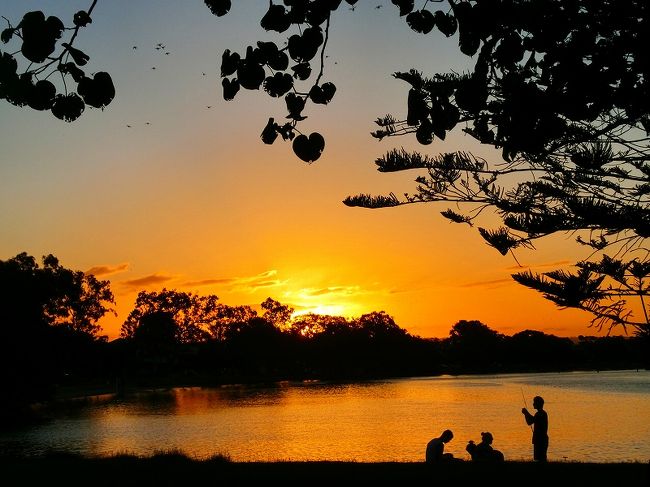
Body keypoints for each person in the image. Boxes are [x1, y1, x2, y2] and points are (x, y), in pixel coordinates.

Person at [522, 395, 549, 462]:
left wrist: (526, 413)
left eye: (534, 402)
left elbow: (531, 421)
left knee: (540, 459)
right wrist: (526, 414)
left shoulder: (540, 414)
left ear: (538, 404)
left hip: (541, 439)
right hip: (540, 439)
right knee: (539, 458)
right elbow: (529, 422)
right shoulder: (540, 413)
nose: (533, 404)